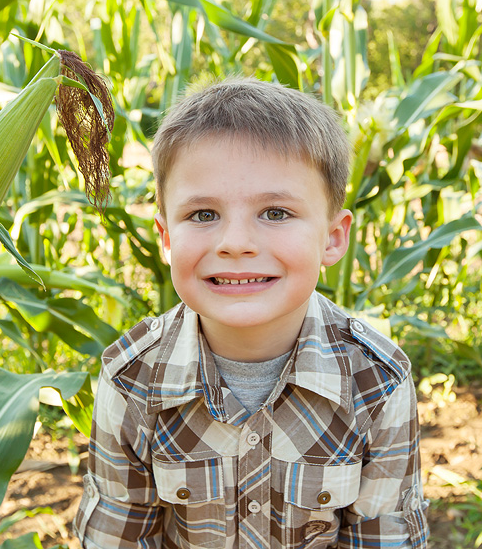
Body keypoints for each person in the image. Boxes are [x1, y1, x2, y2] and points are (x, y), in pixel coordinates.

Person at [73, 78, 429, 548]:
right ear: (165, 237)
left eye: (276, 213)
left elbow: (384, 537)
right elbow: (119, 538)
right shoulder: (133, 381)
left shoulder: (377, 383)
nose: (235, 243)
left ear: (332, 237)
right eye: (203, 215)